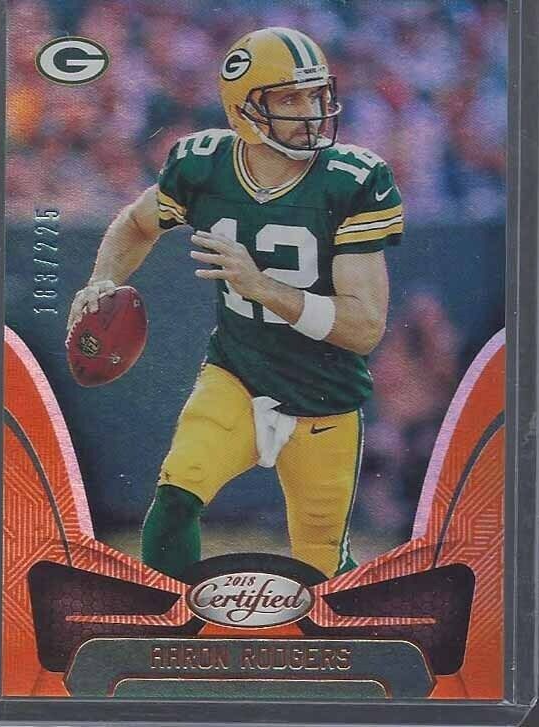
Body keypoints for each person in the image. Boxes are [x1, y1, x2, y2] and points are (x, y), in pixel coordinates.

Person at [67, 27, 404, 580]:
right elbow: (137, 223)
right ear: (244, 109)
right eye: (290, 98)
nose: (311, 112)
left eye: (316, 94)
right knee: (177, 495)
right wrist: (101, 279)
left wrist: (264, 286)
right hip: (237, 375)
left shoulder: (352, 181)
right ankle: (170, 618)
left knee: (322, 563)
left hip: (324, 395)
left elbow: (363, 327)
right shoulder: (203, 165)